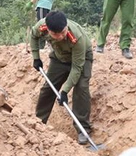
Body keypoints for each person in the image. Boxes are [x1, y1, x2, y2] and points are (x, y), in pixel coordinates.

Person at [30, 11, 94, 145]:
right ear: (48, 30)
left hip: (81, 59)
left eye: (62, 32)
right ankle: (39, 122)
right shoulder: (42, 26)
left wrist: (64, 91)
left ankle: (83, 129)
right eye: (55, 34)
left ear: (66, 27)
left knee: (81, 88)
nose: (59, 37)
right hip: (59, 58)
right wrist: (36, 58)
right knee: (48, 88)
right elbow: (33, 36)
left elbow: (77, 68)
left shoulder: (77, 38)